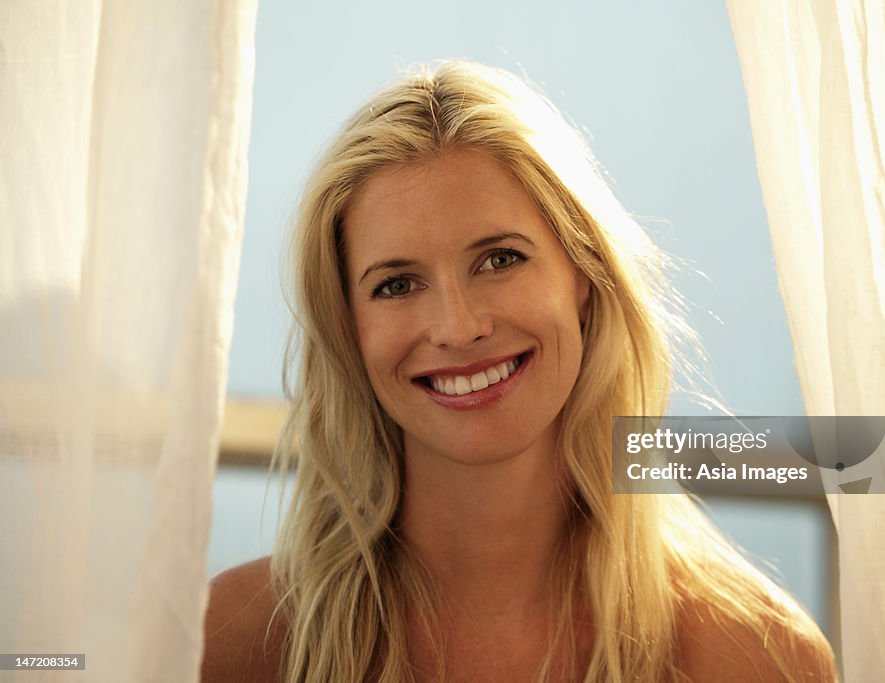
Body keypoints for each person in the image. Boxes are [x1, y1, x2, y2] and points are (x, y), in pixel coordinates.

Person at [201, 61, 836, 682]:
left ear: (583, 278)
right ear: (348, 329)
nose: (458, 326)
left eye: (500, 259)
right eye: (397, 284)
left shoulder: (756, 653)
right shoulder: (233, 642)